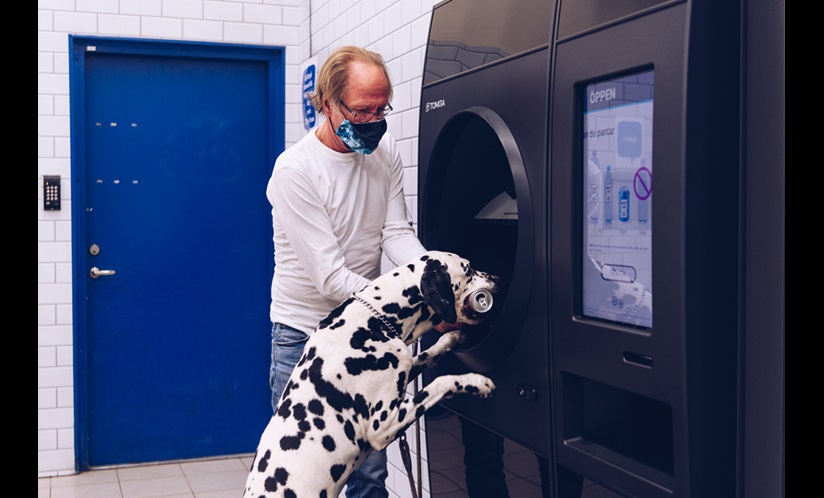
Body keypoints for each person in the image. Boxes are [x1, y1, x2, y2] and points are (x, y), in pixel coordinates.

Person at [266, 45, 448, 498]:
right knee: (306, 476)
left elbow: (395, 233)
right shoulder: (295, 171)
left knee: (368, 473)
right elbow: (331, 278)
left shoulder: (383, 154)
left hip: (365, 330)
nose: (373, 121)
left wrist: (433, 285)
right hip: (304, 336)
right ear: (326, 103)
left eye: (381, 109)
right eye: (362, 111)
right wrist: (410, 310)